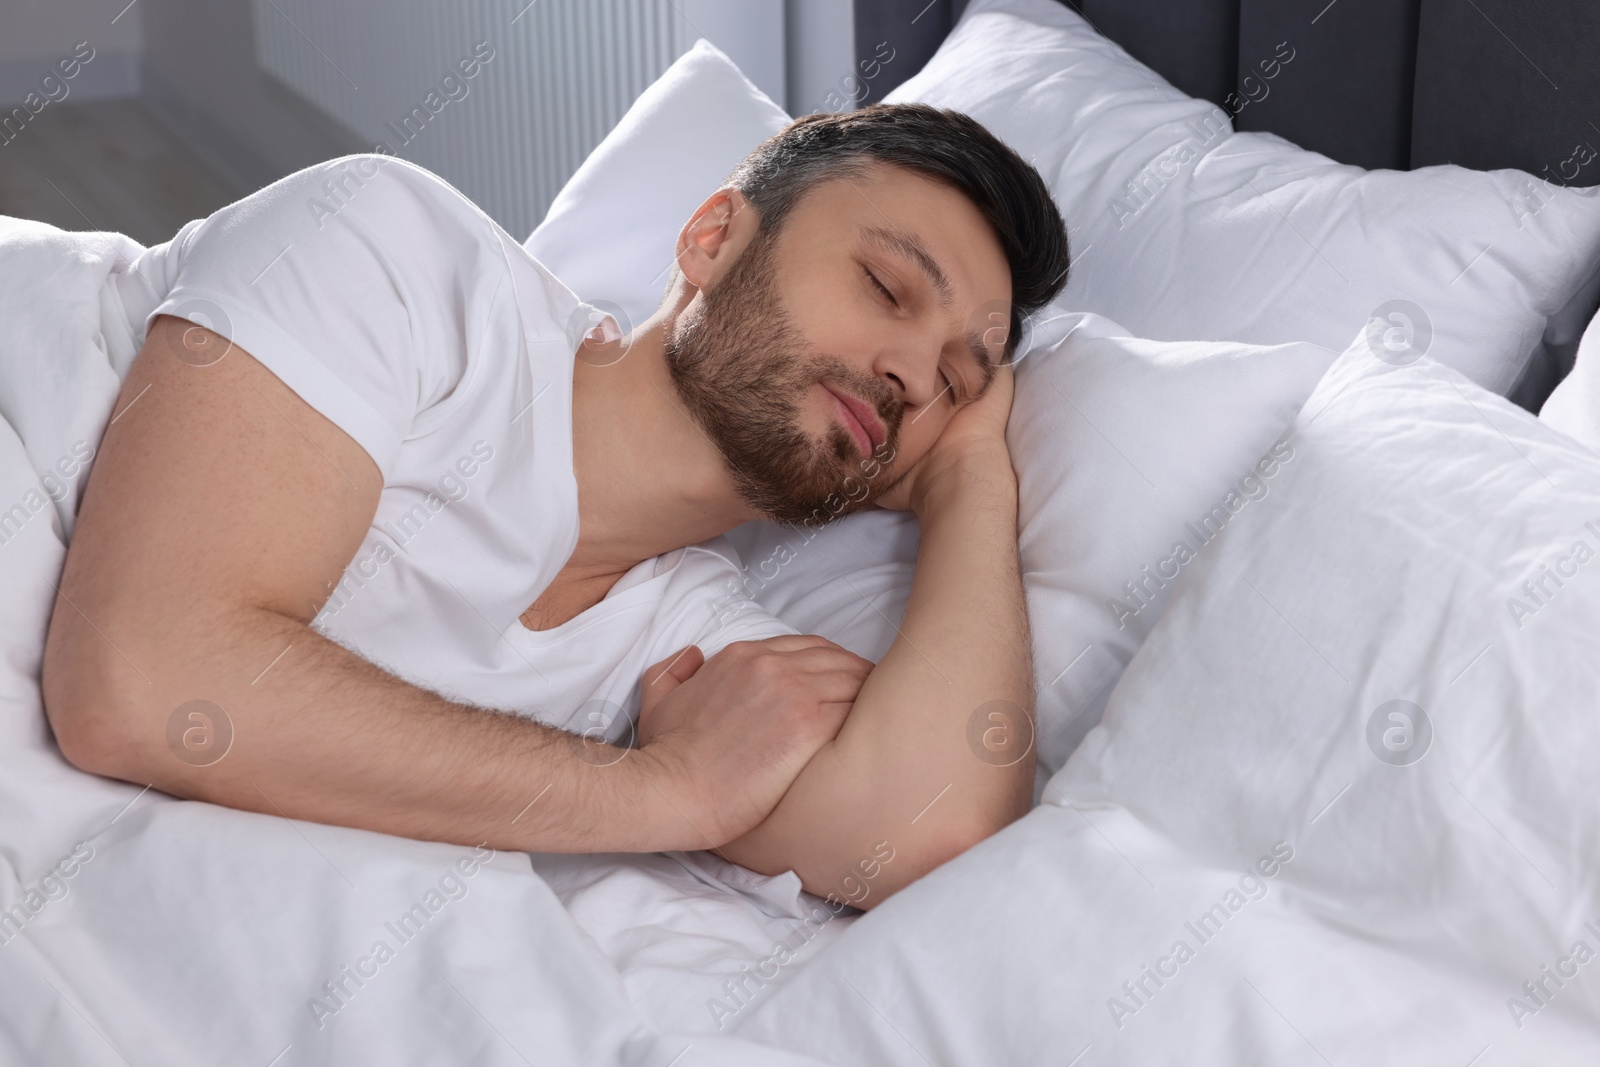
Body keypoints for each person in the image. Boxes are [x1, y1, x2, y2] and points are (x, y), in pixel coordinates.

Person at [40, 103, 1070, 909]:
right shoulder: (404, 255)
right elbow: (144, 680)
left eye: (957, 378)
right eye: (888, 288)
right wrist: (664, 792)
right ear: (712, 237)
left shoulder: (686, 653)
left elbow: (926, 830)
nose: (911, 375)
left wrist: (973, 479)